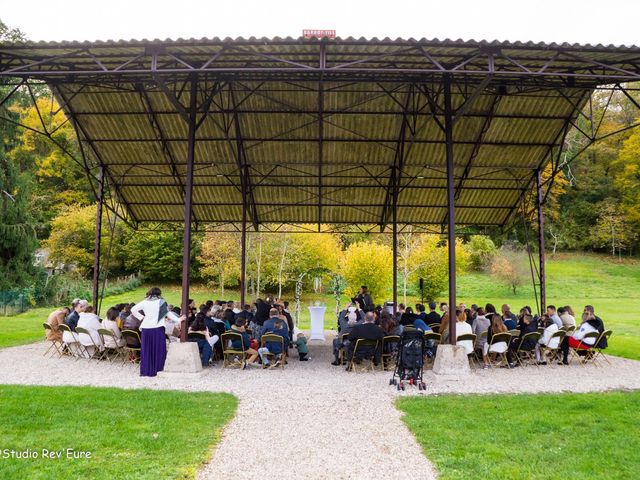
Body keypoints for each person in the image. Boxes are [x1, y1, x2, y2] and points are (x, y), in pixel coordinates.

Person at [131, 287, 169, 377]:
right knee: (159, 349)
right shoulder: (161, 302)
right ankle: (158, 369)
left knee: (147, 350)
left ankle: (146, 371)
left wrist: (141, 317)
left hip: (146, 328)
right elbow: (168, 314)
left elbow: (133, 309)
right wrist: (179, 319)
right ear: (159, 294)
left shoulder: (145, 302)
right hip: (158, 327)